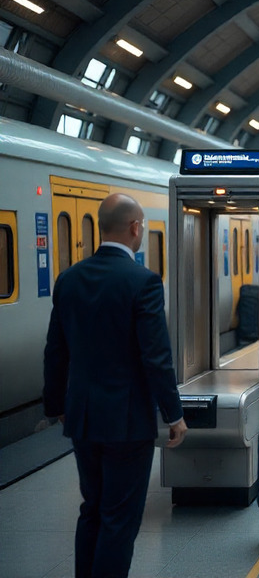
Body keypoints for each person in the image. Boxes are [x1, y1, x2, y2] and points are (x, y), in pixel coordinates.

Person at [43, 193, 188, 578]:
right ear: (135, 228)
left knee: (92, 508)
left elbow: (55, 350)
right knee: (119, 519)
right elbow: (155, 357)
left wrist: (56, 404)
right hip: (127, 421)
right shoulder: (143, 281)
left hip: (83, 417)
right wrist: (173, 413)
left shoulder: (69, 279)